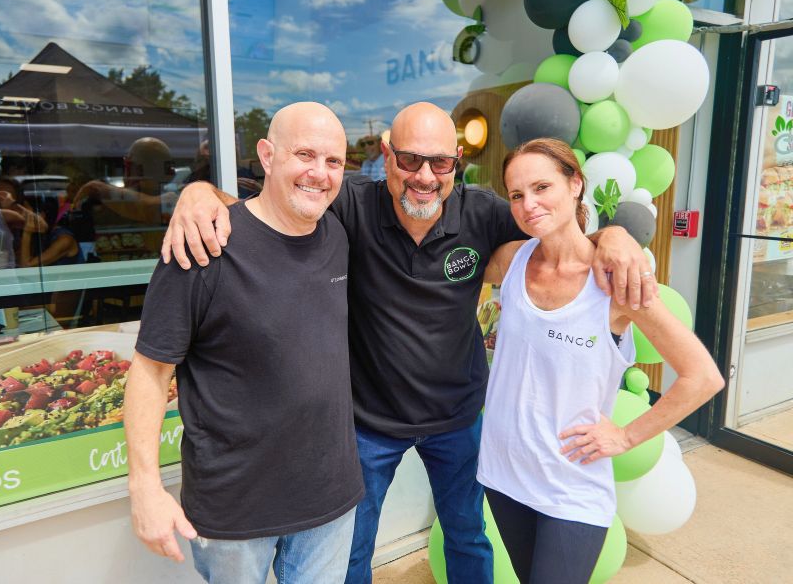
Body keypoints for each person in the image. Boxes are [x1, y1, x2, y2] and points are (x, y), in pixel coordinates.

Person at [161, 102, 655, 584]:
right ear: (386, 153)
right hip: (370, 423)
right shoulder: (352, 202)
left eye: (440, 162)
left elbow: (554, 221)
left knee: (467, 535)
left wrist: (613, 235)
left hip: (457, 418)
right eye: (410, 159)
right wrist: (199, 193)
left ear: (456, 163)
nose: (425, 175)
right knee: (355, 547)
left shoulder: (483, 212)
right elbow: (269, 197)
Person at [124, 102, 364, 584]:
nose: (319, 173)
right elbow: (150, 374)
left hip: (330, 497)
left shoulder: (336, 232)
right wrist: (144, 487)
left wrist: (199, 188)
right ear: (267, 156)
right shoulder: (203, 247)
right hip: (236, 511)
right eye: (304, 155)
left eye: (333, 161)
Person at [477, 139, 724, 583]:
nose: (529, 204)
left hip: (571, 487)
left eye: (541, 187)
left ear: (575, 184)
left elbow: (702, 377)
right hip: (504, 473)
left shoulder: (614, 281)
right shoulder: (512, 260)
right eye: (517, 195)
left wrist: (627, 437)